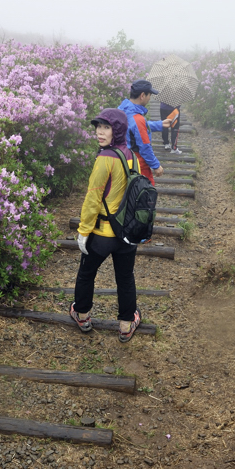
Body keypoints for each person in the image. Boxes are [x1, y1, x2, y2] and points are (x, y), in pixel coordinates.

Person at [71, 108, 143, 342]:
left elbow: (93, 196)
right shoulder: (132, 156)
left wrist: (84, 230)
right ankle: (126, 325)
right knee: (125, 278)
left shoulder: (105, 158)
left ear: (117, 130)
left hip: (103, 233)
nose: (99, 132)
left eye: (106, 127)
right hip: (127, 233)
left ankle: (82, 315)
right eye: (98, 127)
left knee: (86, 274)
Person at [118, 80, 171, 185]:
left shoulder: (122, 110)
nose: (149, 98)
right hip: (137, 163)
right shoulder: (138, 119)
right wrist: (156, 165)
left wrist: (159, 124)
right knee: (145, 191)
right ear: (142, 95)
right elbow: (144, 146)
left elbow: (134, 126)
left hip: (122, 158)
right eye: (149, 95)